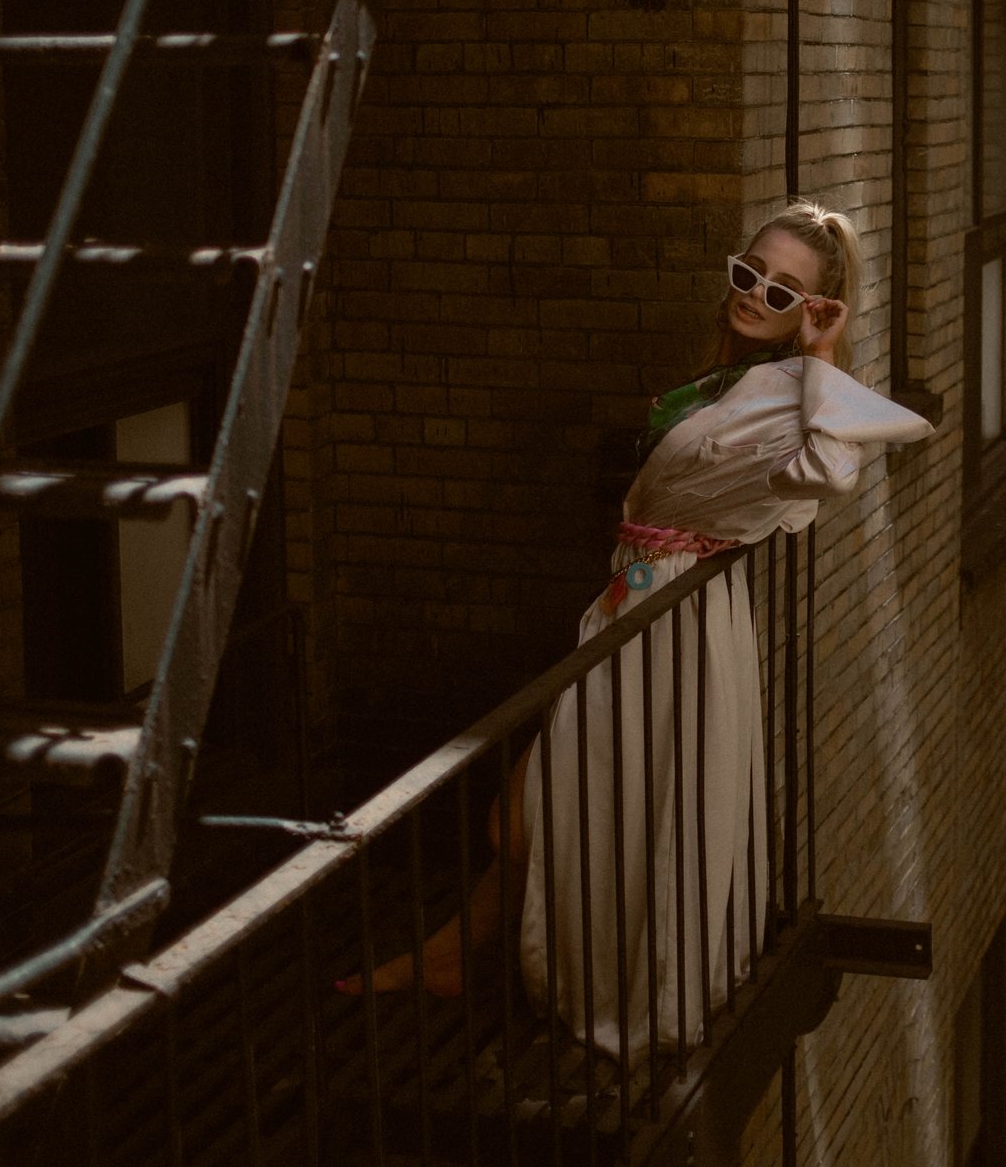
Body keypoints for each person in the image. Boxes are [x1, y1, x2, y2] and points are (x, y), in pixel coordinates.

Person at [349, 200, 933, 1062]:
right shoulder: (726, 377)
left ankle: (578, 978)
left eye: (783, 291)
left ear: (813, 309)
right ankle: (458, 954)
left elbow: (830, 472)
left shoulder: (787, 390)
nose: (756, 295)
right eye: (748, 273)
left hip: (673, 620)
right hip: (643, 601)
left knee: (564, 802)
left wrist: (820, 357)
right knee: (581, 799)